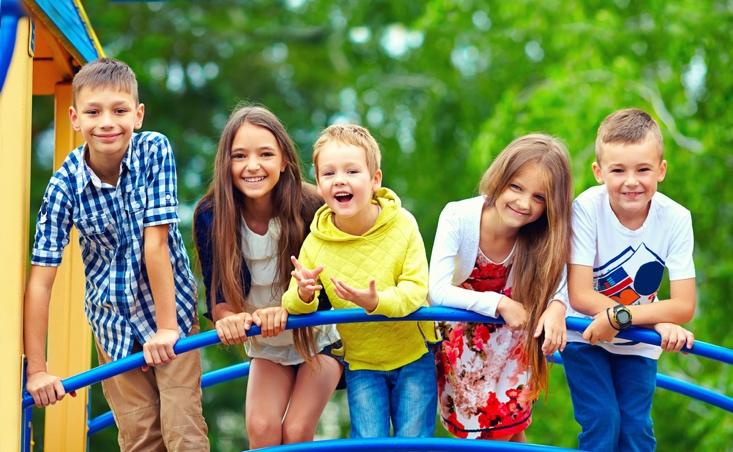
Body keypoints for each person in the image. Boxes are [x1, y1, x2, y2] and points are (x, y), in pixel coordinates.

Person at [23, 58, 209, 451]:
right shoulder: (64, 186)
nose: (107, 122)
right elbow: (41, 281)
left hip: (169, 311)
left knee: (182, 426)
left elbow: (155, 244)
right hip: (112, 323)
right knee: (141, 435)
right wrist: (38, 371)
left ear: (138, 115)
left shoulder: (153, 151)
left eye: (120, 110)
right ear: (75, 118)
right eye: (93, 111)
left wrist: (166, 328)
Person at [193, 105, 342, 448]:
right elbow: (218, 294)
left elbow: (331, 284)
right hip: (267, 344)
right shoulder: (211, 215)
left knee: (296, 431)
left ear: (284, 160)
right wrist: (227, 318)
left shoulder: (312, 206)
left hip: (319, 337)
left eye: (265, 154)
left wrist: (290, 310)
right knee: (261, 429)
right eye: (240, 156)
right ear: (225, 163)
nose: (253, 166)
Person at [282, 124, 439, 438]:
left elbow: (415, 289)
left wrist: (376, 302)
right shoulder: (317, 242)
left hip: (414, 357)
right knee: (368, 442)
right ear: (319, 183)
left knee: (414, 442)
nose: (340, 180)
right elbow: (292, 304)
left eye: (352, 171)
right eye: (328, 174)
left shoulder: (403, 224)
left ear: (375, 179)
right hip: (362, 364)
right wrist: (304, 293)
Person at [562, 108, 696, 452]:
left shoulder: (676, 218)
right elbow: (579, 293)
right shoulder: (587, 208)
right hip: (585, 334)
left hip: (638, 341)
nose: (631, 181)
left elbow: (684, 305)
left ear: (661, 170)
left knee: (636, 430)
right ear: (598, 172)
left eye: (643, 169)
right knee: (603, 421)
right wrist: (639, 318)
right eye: (618, 170)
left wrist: (633, 321)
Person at [429, 134, 572, 441]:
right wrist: (498, 303)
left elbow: (563, 280)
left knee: (510, 433)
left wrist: (557, 307)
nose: (523, 203)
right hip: (464, 344)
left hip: (512, 346)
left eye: (539, 198)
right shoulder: (458, 216)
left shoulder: (543, 236)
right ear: (501, 178)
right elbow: (437, 290)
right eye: (516, 187)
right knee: (484, 439)